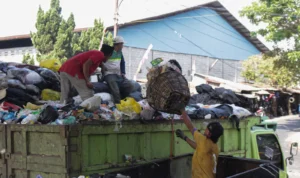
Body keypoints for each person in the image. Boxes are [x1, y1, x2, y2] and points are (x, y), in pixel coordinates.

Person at [176, 109, 224, 178]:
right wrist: (185, 138)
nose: (205, 130)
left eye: (207, 129)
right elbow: (198, 147)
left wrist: (182, 110)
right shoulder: (215, 146)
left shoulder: (203, 140)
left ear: (209, 134)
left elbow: (190, 127)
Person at [103, 36, 133, 104]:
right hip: (109, 74)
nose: (122, 46)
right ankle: (118, 106)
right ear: (118, 44)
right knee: (115, 91)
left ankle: (124, 101)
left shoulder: (120, 52)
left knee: (129, 85)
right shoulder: (109, 51)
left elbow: (122, 62)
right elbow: (101, 61)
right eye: (122, 44)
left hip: (118, 74)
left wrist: (123, 72)